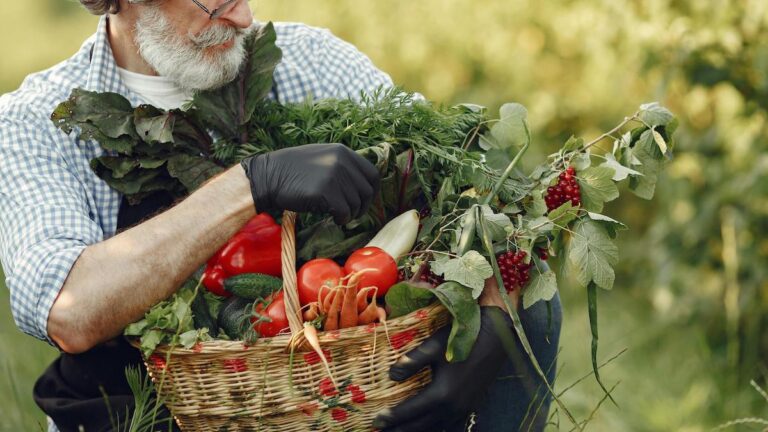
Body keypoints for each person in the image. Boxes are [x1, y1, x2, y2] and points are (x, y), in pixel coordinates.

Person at [0, 1, 561, 431]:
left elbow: (477, 190)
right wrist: (251, 183)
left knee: (530, 306)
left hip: (339, 394)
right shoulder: (35, 122)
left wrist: (495, 319)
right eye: (212, 2)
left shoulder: (311, 62)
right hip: (153, 409)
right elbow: (69, 311)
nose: (244, 17)